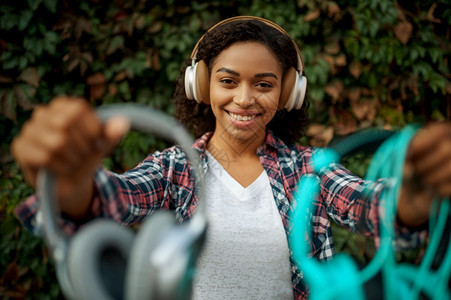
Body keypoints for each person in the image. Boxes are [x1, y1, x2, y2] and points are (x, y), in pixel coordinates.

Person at [11, 16, 451, 299]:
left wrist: (416, 192)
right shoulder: (174, 167)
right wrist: (68, 183)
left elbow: (368, 204)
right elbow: (114, 198)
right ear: (202, 87)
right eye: (228, 81)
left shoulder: (308, 169)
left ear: (287, 94)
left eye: (263, 84)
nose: (244, 99)